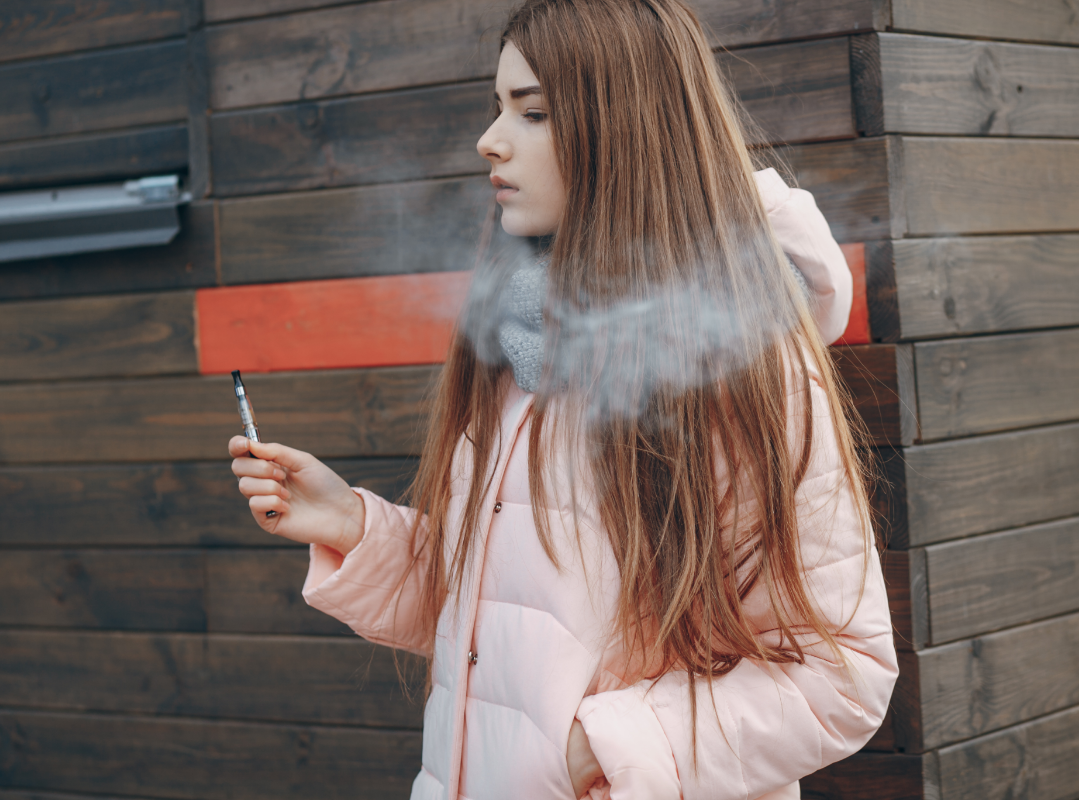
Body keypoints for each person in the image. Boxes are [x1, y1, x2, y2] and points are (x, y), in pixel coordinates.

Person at [229, 1, 896, 798]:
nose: (490, 138)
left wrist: (605, 749)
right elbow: (511, 623)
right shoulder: (518, 346)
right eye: (499, 105)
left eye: (533, 111)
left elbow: (842, 674)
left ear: (628, 128)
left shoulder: (744, 361)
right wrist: (353, 527)